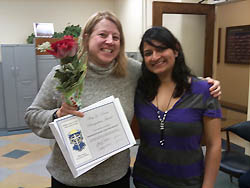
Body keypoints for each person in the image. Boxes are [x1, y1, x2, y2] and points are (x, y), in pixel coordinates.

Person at [25, 11, 221, 188]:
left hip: (116, 178)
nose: (110, 41)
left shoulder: (132, 72)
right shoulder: (64, 74)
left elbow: (165, 74)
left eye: (115, 37)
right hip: (69, 178)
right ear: (86, 37)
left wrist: (203, 84)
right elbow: (32, 116)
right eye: (102, 35)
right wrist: (57, 115)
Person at [132, 26, 222, 188]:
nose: (155, 57)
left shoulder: (203, 91)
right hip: (145, 179)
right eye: (148, 53)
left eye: (161, 49)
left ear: (176, 50)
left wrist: (208, 186)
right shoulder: (140, 91)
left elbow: (214, 144)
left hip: (187, 182)